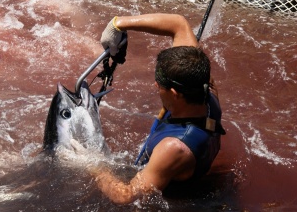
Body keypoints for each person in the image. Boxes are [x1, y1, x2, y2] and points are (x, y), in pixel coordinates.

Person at [88, 13, 225, 204]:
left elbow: (125, 196)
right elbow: (179, 24)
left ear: (175, 93)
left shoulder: (174, 147)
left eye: (160, 85)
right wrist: (118, 24)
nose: (155, 86)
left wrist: (92, 165)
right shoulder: (206, 90)